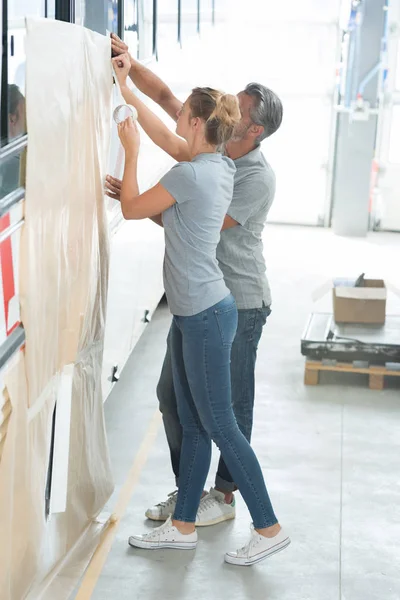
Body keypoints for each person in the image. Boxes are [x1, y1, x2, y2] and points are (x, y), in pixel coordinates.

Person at [110, 53, 289, 566]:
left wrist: (129, 152)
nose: (176, 115)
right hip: (196, 313)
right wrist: (127, 87)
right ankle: (182, 526)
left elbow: (130, 207)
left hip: (211, 313)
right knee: (191, 423)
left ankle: (269, 526)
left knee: (221, 425)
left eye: (182, 112)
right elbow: (163, 116)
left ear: (195, 123)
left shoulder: (197, 175)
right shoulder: (214, 164)